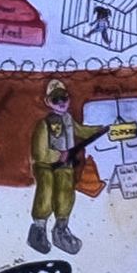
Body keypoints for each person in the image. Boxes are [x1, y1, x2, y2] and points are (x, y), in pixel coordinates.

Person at [25, 81, 86, 255]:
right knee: (47, 193)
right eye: (55, 98)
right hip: (46, 166)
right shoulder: (44, 124)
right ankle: (38, 230)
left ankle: (61, 229)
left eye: (64, 97)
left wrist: (100, 129)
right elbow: (39, 152)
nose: (61, 102)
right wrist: (57, 156)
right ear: (48, 101)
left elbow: (81, 131)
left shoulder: (68, 120)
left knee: (65, 193)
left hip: (64, 166)